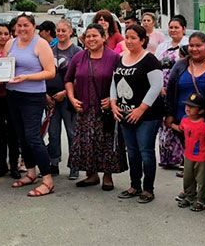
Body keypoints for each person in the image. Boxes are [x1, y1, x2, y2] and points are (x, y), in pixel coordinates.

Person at [65, 24, 126, 191]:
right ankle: (91, 175)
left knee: (106, 142)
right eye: (88, 36)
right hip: (84, 109)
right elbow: (68, 79)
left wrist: (113, 100)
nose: (91, 39)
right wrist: (71, 97)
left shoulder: (114, 58)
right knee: (86, 142)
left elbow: (123, 83)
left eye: (95, 36)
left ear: (104, 37)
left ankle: (107, 176)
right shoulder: (79, 57)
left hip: (105, 110)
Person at [165, 32, 205, 205]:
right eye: (191, 45)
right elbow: (170, 89)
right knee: (190, 155)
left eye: (198, 45)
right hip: (185, 120)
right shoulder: (180, 65)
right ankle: (189, 188)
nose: (194, 49)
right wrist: (169, 115)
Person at [110, 24, 163, 204]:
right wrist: (113, 103)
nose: (130, 41)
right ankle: (134, 185)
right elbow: (114, 82)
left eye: (134, 38)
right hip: (125, 114)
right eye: (127, 37)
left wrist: (141, 109)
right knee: (132, 152)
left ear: (142, 40)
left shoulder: (150, 60)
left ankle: (148, 189)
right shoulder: (121, 58)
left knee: (145, 151)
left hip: (147, 115)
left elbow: (156, 87)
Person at [5, 13, 56, 197]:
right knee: (21, 136)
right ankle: (31, 172)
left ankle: (48, 179)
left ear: (33, 27)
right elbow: (5, 66)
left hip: (33, 97)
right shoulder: (11, 43)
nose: (22, 29)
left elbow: (50, 72)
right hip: (13, 94)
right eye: (19, 26)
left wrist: (27, 77)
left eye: (26, 25)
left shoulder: (40, 44)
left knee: (33, 136)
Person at [46, 19, 81, 179]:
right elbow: (44, 72)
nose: (60, 33)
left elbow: (79, 77)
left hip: (69, 99)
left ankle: (74, 165)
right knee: (53, 133)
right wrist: (45, 95)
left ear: (70, 32)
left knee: (72, 132)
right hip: (51, 98)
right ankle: (54, 162)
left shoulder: (77, 51)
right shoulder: (49, 50)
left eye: (63, 31)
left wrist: (66, 93)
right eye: (58, 30)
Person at [156, 16, 189, 169]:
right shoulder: (163, 46)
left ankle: (183, 159)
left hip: (180, 89)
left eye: (177, 27)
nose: (173, 30)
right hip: (163, 90)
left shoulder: (188, 45)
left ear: (184, 29)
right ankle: (168, 158)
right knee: (165, 123)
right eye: (171, 27)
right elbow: (156, 67)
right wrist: (158, 87)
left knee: (179, 121)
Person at [0, 23, 20, 179]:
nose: (3, 36)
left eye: (6, 34)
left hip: (12, 96)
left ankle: (14, 165)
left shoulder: (15, 51)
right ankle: (2, 165)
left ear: (10, 35)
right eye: (0, 33)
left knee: (13, 133)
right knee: (0, 132)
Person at [173, 93, 205, 212]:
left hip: (201, 157)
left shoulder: (204, 125)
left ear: (201, 110)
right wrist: (170, 124)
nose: (188, 108)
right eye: (187, 105)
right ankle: (189, 196)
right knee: (188, 178)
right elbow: (180, 128)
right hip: (188, 156)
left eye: (192, 107)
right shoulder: (185, 120)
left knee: (201, 180)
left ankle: (201, 200)